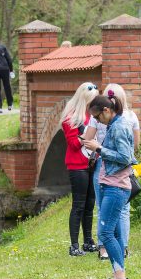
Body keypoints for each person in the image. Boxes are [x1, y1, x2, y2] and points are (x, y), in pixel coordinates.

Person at [83, 93, 137, 279]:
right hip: (109, 183)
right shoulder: (113, 125)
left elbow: (126, 158)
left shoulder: (120, 126)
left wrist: (99, 148)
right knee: (111, 233)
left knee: (105, 234)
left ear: (107, 110)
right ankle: (118, 278)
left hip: (117, 186)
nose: (97, 121)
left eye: (97, 117)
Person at [60, 82, 99, 256]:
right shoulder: (72, 118)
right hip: (77, 166)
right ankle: (74, 245)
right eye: (91, 101)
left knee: (90, 204)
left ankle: (88, 241)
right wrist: (86, 134)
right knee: (78, 205)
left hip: (92, 163)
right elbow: (73, 144)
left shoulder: (92, 116)